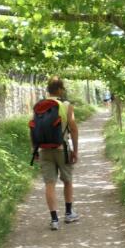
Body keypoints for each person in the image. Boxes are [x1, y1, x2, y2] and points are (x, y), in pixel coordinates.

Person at [31, 76, 79, 230]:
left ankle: (54, 220)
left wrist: (35, 150)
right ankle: (69, 213)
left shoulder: (39, 106)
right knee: (67, 180)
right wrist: (75, 150)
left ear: (48, 90)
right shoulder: (66, 105)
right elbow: (73, 129)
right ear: (60, 90)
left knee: (49, 184)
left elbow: (33, 128)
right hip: (62, 149)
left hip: (44, 149)